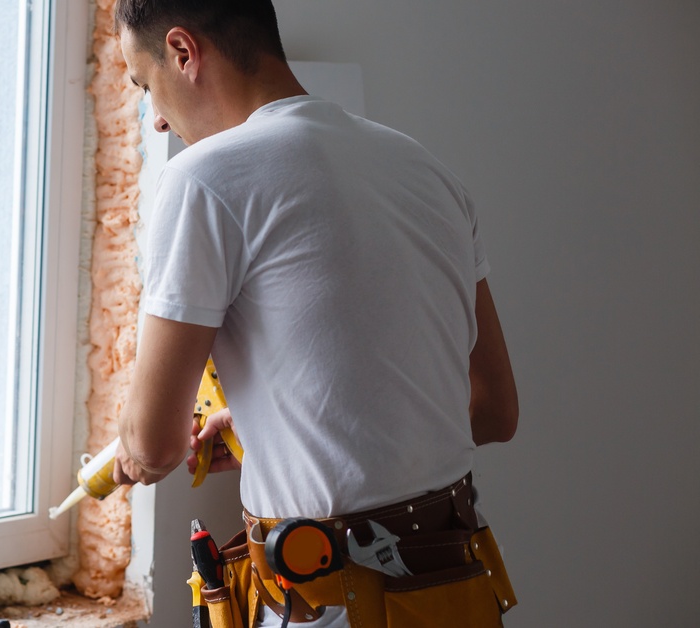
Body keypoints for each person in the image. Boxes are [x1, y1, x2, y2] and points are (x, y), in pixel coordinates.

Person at [106, 0, 519, 626]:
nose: (156, 121)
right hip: (455, 591)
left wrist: (132, 457)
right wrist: (273, 433)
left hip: (334, 603)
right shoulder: (426, 170)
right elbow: (493, 409)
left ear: (184, 53)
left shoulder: (204, 179)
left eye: (145, 85)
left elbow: (155, 443)